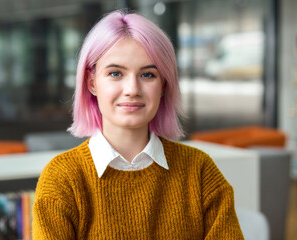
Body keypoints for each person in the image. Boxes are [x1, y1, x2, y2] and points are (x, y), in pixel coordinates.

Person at [32, 10, 244, 239]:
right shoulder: (62, 180)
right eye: (115, 73)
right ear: (92, 83)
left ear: (164, 85)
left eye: (147, 75)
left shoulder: (200, 171)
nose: (132, 89)